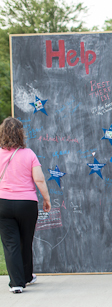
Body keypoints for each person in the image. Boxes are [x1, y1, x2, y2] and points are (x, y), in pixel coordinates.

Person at [0, 117, 51, 293]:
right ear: (21, 133)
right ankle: (27, 276)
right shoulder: (29, 154)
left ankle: (16, 283)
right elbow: (39, 179)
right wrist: (47, 199)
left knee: (10, 243)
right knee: (25, 240)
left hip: (3, 204)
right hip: (27, 203)